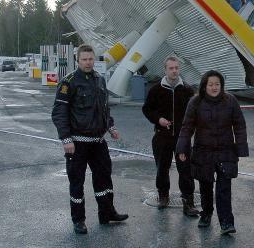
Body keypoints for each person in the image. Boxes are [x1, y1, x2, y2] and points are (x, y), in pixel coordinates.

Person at [52, 44, 128, 235]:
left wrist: (111, 127)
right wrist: (66, 139)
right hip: (76, 143)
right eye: (84, 59)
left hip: (98, 142)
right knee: (76, 182)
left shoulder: (100, 80)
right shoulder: (68, 82)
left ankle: (107, 213)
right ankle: (79, 220)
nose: (88, 62)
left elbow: (104, 109)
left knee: (104, 178)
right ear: (78, 60)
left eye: (90, 59)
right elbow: (59, 113)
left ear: (94, 60)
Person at [176, 70, 248, 235]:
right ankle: (206, 214)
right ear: (204, 86)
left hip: (225, 151)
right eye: (211, 84)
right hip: (203, 151)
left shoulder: (230, 100)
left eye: (217, 84)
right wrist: (182, 148)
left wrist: (241, 146)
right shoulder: (195, 102)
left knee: (224, 188)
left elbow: (239, 124)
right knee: (206, 186)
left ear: (221, 85)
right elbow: (187, 127)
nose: (214, 87)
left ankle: (226, 222)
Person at [142, 56, 198, 216]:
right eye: (171, 68)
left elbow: (194, 115)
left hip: (182, 139)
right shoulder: (156, 89)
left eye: (176, 68)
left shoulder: (187, 90)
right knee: (162, 168)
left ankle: (188, 202)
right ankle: (163, 196)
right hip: (162, 136)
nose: (174, 71)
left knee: (186, 170)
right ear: (165, 70)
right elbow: (147, 109)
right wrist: (158, 119)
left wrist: (188, 133)